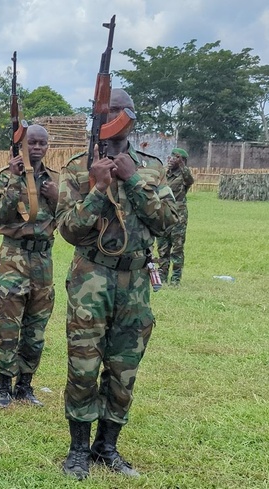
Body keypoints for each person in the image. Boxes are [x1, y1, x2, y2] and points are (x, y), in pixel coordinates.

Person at [57, 88, 178, 480]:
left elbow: (167, 221)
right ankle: (78, 450)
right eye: (105, 113)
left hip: (136, 282)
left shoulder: (151, 168)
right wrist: (97, 187)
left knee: (124, 369)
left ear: (130, 117)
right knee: (83, 366)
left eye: (118, 112)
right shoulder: (79, 168)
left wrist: (133, 179)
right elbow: (68, 230)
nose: (111, 119)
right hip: (90, 277)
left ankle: (106, 447)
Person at [0, 125, 57, 408]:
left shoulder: (55, 180)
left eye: (42, 143)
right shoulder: (6, 176)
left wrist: (57, 197)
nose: (37, 148)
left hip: (43, 259)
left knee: (36, 326)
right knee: (8, 323)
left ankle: (25, 385)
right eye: (32, 143)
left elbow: (71, 218)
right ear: (22, 146)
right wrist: (16, 179)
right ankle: (3, 386)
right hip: (13, 256)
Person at [156, 148, 193, 285]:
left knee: (177, 248)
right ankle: (162, 276)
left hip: (178, 216)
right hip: (163, 214)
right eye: (170, 157)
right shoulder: (164, 174)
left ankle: (175, 279)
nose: (171, 159)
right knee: (162, 247)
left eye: (175, 157)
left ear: (181, 160)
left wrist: (182, 165)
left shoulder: (183, 175)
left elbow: (190, 180)